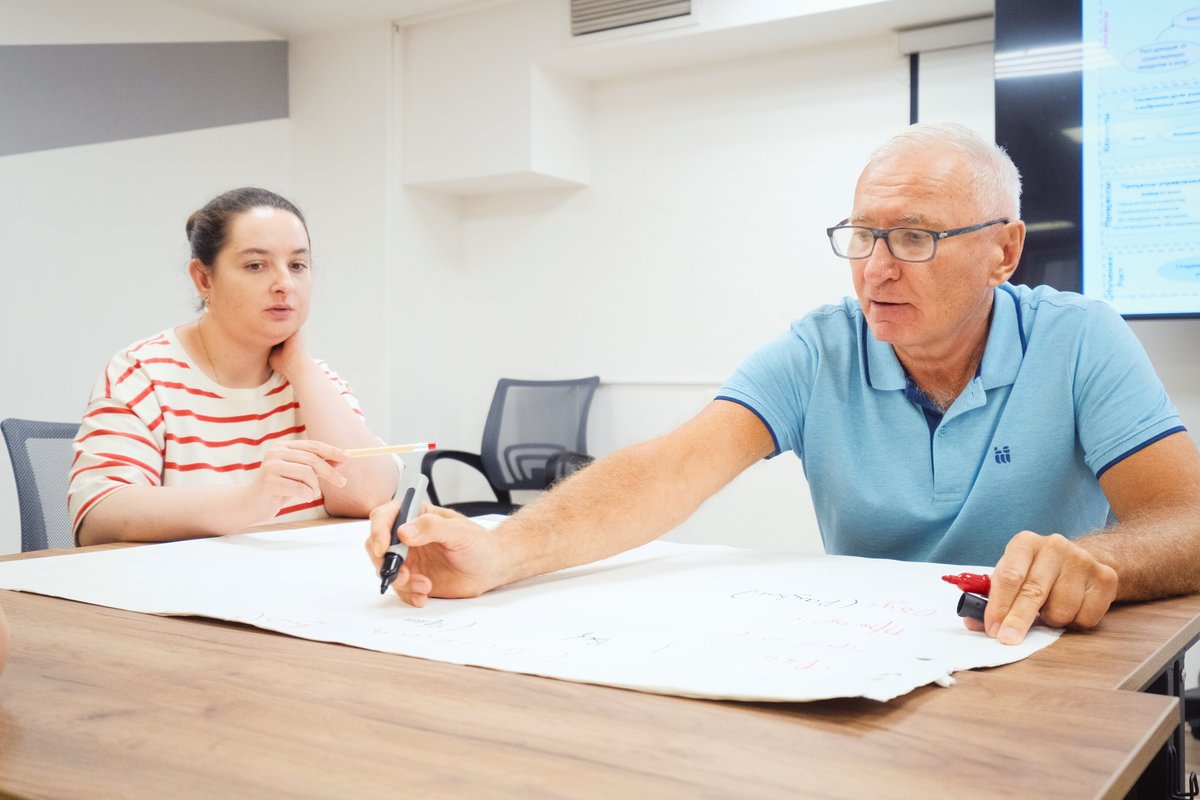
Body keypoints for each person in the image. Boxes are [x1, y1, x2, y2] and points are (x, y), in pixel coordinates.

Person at [365, 123, 1200, 645]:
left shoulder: (1079, 338)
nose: (875, 270)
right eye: (862, 235)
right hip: (878, 659)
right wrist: (501, 551)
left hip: (1045, 657)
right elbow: (670, 468)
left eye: (914, 238)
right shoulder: (818, 350)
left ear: (1004, 252)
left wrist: (1093, 561)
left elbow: (1188, 521)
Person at [71, 187, 398, 545]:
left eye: (297, 265)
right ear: (204, 279)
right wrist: (250, 501)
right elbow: (99, 515)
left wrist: (299, 366)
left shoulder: (317, 381)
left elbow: (368, 498)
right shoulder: (143, 372)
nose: (284, 284)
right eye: (255, 265)